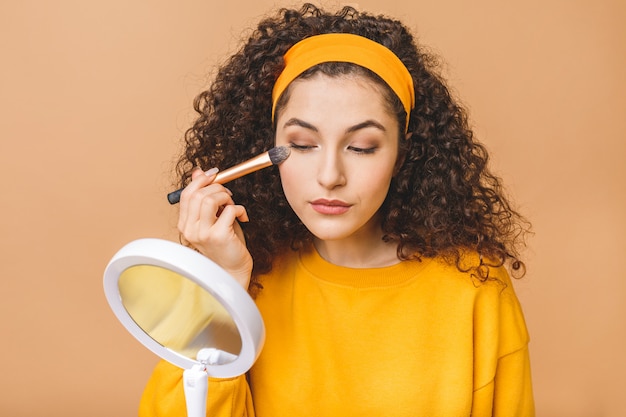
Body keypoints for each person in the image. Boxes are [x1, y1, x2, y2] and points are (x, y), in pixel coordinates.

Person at [139, 3, 534, 416]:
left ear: (403, 152)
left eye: (362, 147)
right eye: (303, 145)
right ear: (267, 144)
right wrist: (222, 286)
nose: (329, 175)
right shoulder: (253, 278)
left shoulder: (475, 288)